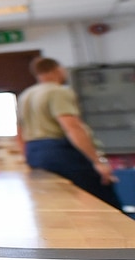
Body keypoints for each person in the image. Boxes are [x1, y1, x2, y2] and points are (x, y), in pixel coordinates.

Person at [15, 57, 120, 207]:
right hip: (61, 152)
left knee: (60, 200)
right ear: (57, 70)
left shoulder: (26, 95)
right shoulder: (58, 92)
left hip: (34, 152)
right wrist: (97, 161)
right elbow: (72, 127)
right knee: (102, 199)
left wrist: (26, 157)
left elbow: (19, 131)